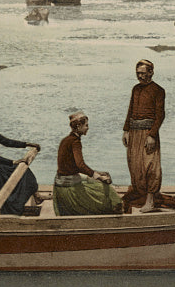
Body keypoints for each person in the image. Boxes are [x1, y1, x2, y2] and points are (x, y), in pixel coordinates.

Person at [53, 111, 122, 216]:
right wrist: (99, 177)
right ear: (78, 126)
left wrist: (97, 173)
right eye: (86, 125)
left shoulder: (66, 140)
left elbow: (74, 166)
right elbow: (80, 166)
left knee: (99, 182)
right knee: (107, 191)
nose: (88, 128)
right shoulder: (75, 142)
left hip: (61, 185)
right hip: (69, 189)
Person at [122, 58, 165, 213]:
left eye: (142, 73)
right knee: (135, 166)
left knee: (151, 167)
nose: (139, 76)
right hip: (134, 133)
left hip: (148, 134)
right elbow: (130, 110)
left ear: (151, 72)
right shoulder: (135, 89)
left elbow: (160, 115)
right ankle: (140, 196)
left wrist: (152, 135)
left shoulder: (158, 90)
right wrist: (126, 130)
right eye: (137, 73)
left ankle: (150, 201)